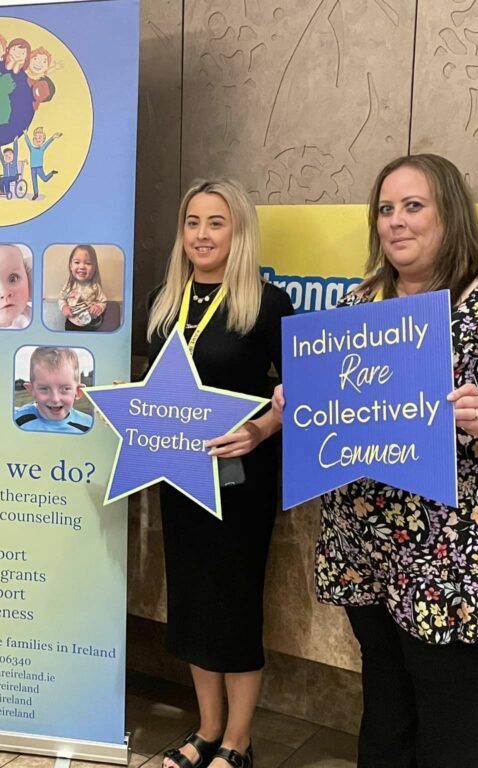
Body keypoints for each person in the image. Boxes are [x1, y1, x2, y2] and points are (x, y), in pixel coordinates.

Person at [273, 154, 478, 767]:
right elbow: (330, 398)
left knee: (449, 698)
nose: (396, 222)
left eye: (413, 206)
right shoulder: (359, 302)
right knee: (385, 689)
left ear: (450, 214)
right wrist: (297, 400)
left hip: (454, 550)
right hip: (367, 538)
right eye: (385, 210)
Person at [151, 179, 293, 768]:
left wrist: (260, 429)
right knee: (190, 601)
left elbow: (298, 395)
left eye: (216, 222)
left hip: (242, 481)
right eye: (192, 222)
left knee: (233, 604)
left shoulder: (267, 302)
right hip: (175, 475)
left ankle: (238, 740)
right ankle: (207, 728)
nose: (202, 235)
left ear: (239, 232)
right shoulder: (165, 300)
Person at [14, 347, 92, 433]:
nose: (55, 399)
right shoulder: (17, 419)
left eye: (65, 389)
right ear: (32, 390)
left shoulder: (89, 426)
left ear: (78, 392)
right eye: (44, 389)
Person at [59, 244, 107, 330]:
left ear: (94, 268)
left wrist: (98, 307)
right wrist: (64, 307)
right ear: (71, 266)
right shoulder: (69, 285)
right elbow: (62, 299)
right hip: (71, 322)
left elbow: (103, 301)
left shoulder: (95, 286)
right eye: (77, 262)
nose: (81, 267)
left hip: (90, 323)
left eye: (88, 263)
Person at [23, 127, 60, 200]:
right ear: (33, 139)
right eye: (36, 138)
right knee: (34, 181)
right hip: (32, 168)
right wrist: (25, 134)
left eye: (40, 138)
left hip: (39, 167)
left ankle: (51, 173)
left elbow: (47, 143)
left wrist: (53, 137)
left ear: (43, 140)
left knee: (45, 179)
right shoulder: (32, 148)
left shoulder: (42, 148)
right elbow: (28, 142)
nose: (37, 140)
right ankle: (36, 193)